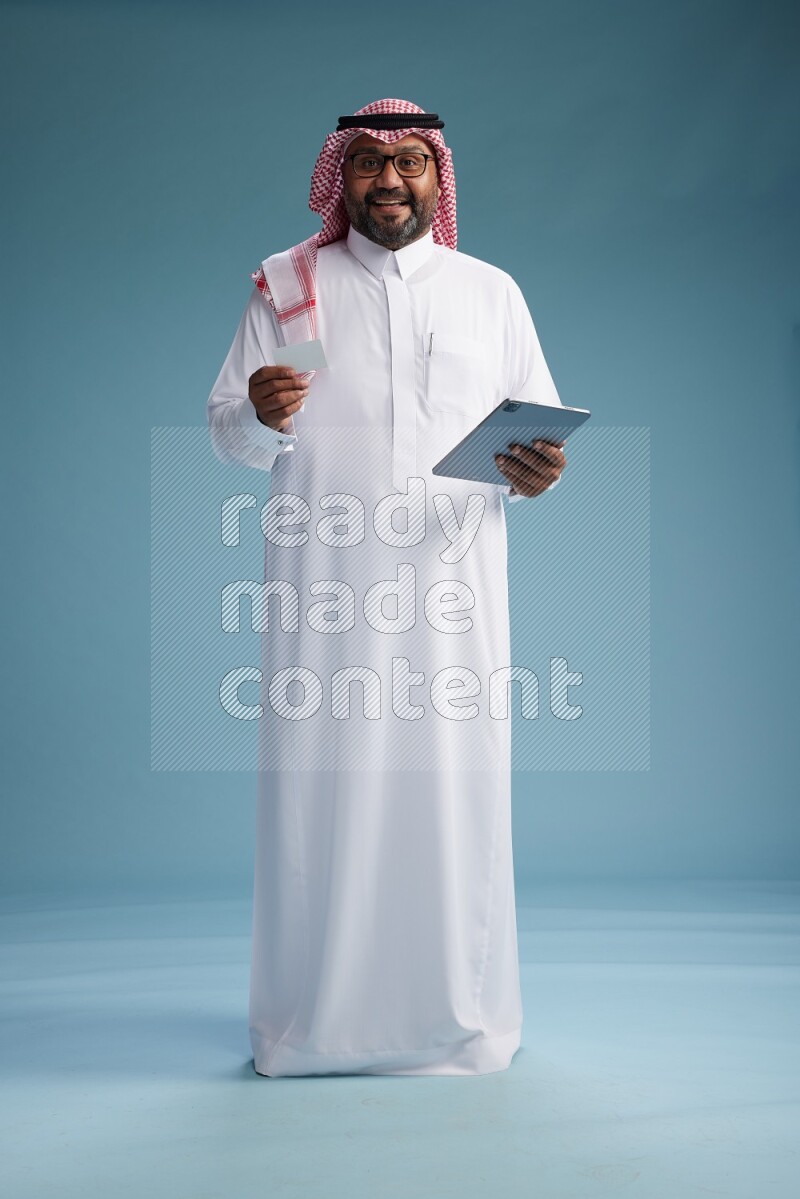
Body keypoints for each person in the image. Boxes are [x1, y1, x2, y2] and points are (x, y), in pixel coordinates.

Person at [207, 98, 567, 1077]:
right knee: (320, 801)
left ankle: (460, 1022)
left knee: (453, 798)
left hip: (453, 601)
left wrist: (532, 474)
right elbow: (231, 435)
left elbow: (526, 437)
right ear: (341, 177)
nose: (389, 179)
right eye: (368, 162)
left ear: (436, 177)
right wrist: (259, 409)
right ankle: (306, 1026)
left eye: (409, 161)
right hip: (325, 598)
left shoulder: (489, 292)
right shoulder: (289, 289)